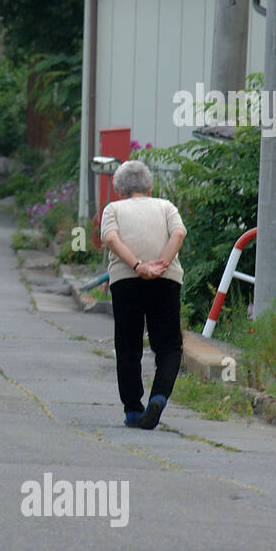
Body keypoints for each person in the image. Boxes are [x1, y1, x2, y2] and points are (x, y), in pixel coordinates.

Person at [99, 160, 186, 430]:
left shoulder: (113, 208)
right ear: (149, 186)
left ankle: (134, 411)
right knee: (169, 346)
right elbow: (179, 232)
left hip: (126, 282)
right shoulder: (166, 206)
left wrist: (138, 267)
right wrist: (161, 263)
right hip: (166, 281)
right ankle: (158, 397)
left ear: (119, 188)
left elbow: (111, 239)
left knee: (128, 346)